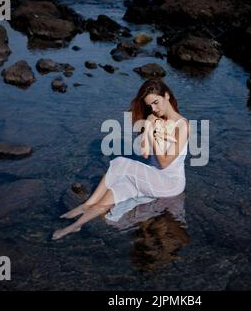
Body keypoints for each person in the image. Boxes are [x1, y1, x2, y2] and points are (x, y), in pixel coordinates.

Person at [52, 78, 190, 240]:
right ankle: (76, 225)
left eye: (156, 102)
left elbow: (165, 162)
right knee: (114, 191)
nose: (154, 108)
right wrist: (147, 129)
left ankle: (86, 204)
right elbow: (146, 155)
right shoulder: (153, 118)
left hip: (171, 183)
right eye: (150, 105)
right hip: (152, 176)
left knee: (120, 162)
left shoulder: (182, 125)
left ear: (166, 96)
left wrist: (153, 133)